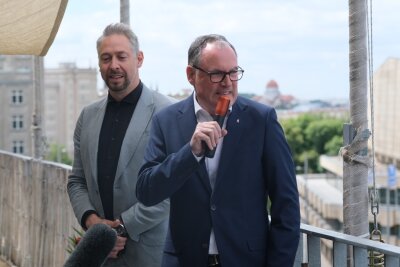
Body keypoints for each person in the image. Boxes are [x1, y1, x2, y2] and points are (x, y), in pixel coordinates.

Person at [136, 34, 300, 267]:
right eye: (216, 74)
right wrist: (190, 154)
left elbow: (287, 206)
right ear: (191, 75)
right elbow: (146, 191)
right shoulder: (167, 120)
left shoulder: (261, 120)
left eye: (233, 72)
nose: (227, 82)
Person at [67, 23, 173, 267]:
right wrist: (93, 224)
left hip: (151, 255)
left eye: (121, 56)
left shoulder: (168, 113)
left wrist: (123, 227)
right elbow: (77, 181)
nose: (113, 65)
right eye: (106, 58)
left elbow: (173, 186)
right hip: (101, 255)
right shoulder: (87, 116)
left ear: (139, 58)